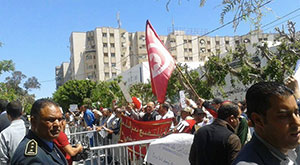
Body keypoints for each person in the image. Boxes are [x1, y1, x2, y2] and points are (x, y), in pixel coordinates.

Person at [233, 82, 300, 165]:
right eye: (284, 116)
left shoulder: (289, 147)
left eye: (297, 113)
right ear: (258, 120)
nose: (297, 122)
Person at [11, 99, 67, 165]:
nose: (57, 124)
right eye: (50, 120)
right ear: (33, 121)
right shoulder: (31, 158)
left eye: (60, 119)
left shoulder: (47, 141)